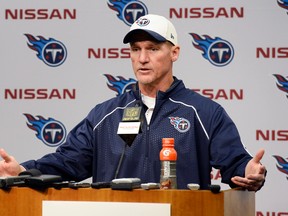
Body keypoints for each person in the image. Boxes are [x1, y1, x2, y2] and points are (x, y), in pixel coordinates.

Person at [0, 14, 266, 191]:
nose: (142, 58)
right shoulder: (106, 115)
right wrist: (23, 170)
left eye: (152, 48)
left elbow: (235, 164)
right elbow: (67, 161)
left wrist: (250, 171)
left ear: (174, 53)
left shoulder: (205, 113)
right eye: (135, 49)